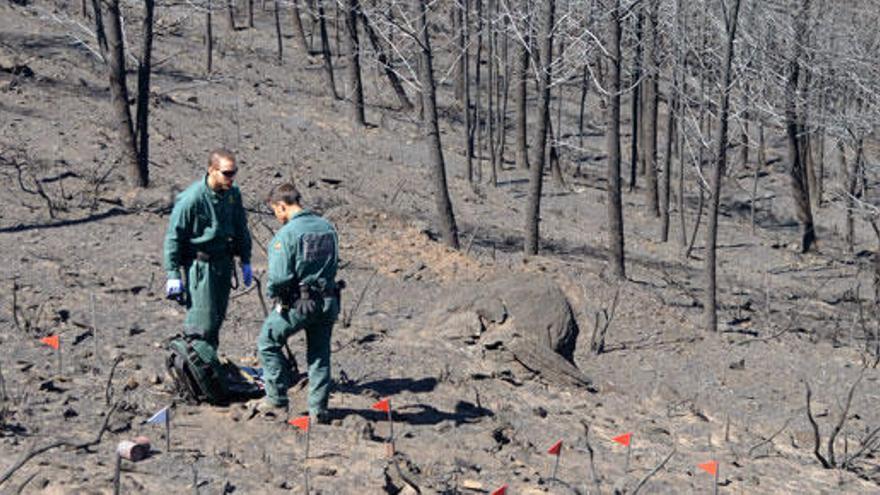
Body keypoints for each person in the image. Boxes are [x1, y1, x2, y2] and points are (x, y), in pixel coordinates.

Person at [254, 182, 340, 422]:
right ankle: (318, 410)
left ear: (282, 206)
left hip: (299, 304)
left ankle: (276, 399)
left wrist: (274, 292)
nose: (277, 216)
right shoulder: (327, 228)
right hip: (328, 301)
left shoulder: (287, 234)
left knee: (268, 342)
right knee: (320, 355)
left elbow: (280, 277)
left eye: (275, 211)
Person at [164, 149, 253, 351]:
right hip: (201, 266)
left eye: (234, 172)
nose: (231, 177)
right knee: (201, 323)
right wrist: (173, 274)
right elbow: (173, 237)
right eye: (226, 173)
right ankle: (195, 370)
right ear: (212, 170)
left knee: (216, 320)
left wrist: (245, 260)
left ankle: (209, 367)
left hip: (224, 263)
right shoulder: (192, 199)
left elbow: (241, 227)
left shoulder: (233, 193)